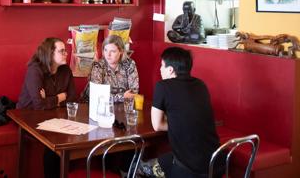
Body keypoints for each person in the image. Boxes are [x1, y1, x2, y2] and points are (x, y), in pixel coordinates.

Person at [150, 47, 221, 178]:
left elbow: (157, 125)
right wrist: (182, 122)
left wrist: (179, 123)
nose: (160, 69)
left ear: (170, 69)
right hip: (215, 162)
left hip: (190, 169)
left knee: (148, 169)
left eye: (162, 65)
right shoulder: (201, 84)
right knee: (161, 161)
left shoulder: (163, 86)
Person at [17, 37, 77, 178]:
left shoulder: (65, 70)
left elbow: (72, 98)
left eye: (65, 51)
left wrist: (48, 100)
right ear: (50, 54)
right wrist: (59, 98)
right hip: (28, 116)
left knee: (70, 139)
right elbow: (38, 105)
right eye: (62, 51)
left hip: (54, 115)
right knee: (53, 142)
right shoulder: (35, 70)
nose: (66, 53)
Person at [80, 35, 139, 103]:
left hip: (123, 107)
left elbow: (133, 93)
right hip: (97, 107)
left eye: (113, 51)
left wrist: (113, 97)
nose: (108, 54)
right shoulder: (98, 66)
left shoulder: (129, 64)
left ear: (121, 51)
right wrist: (122, 97)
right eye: (105, 50)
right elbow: (98, 96)